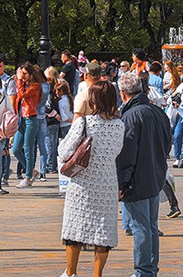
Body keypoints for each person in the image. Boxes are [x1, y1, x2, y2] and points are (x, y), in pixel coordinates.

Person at [58, 77, 125, 277]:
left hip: (82, 183)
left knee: (74, 229)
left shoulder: (84, 122)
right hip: (107, 183)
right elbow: (117, 150)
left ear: (93, 100)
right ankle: (97, 274)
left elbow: (64, 151)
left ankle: (71, 273)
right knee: (103, 232)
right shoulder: (119, 125)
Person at [115, 70, 172, 277]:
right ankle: (150, 268)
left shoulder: (130, 116)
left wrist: (121, 183)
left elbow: (126, 154)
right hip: (155, 175)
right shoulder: (157, 112)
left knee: (141, 227)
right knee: (150, 226)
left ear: (123, 94)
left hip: (137, 179)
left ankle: (144, 271)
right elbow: (167, 143)